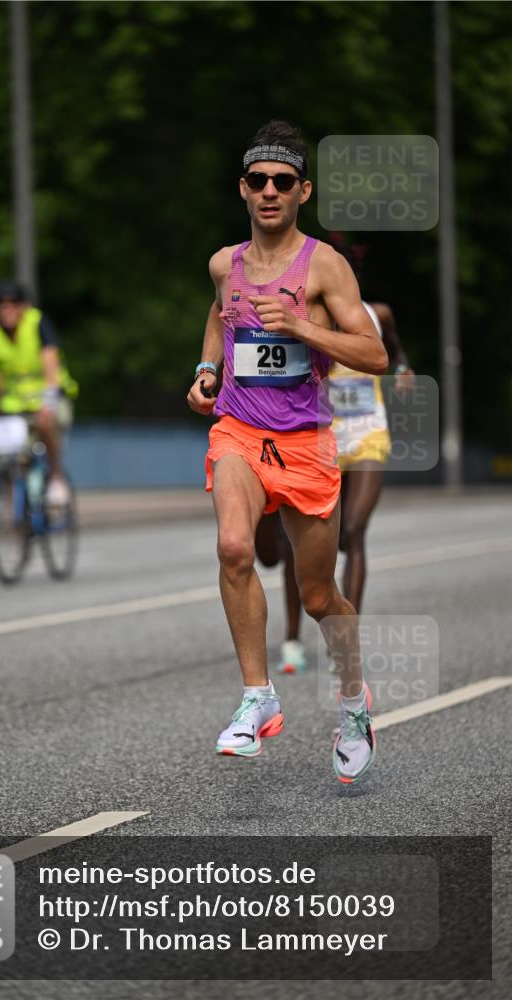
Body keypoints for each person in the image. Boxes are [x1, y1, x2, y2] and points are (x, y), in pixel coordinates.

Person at [187, 120, 387, 783]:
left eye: (281, 182)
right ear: (241, 189)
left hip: (305, 444)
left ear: (302, 191)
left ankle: (354, 702)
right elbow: (219, 315)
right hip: (239, 431)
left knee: (320, 595)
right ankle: (256, 694)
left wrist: (301, 324)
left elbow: (373, 352)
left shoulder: (325, 267)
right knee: (234, 548)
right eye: (256, 181)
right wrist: (206, 371)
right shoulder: (225, 263)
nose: (268, 192)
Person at [256, 292, 415, 674]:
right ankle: (293, 639)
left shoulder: (378, 315)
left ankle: (344, 640)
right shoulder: (303, 319)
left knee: (354, 533)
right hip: (317, 438)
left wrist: (402, 371)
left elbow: (393, 352)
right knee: (293, 542)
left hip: (367, 436)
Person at [0, 280, 78, 504]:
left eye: (13, 303)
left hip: (48, 397)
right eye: (1, 304)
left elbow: (50, 361)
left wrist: (48, 400)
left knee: (44, 424)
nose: (7, 309)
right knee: (8, 453)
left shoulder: (37, 322)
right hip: (14, 404)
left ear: (24, 306)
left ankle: (56, 476)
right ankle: (17, 510)